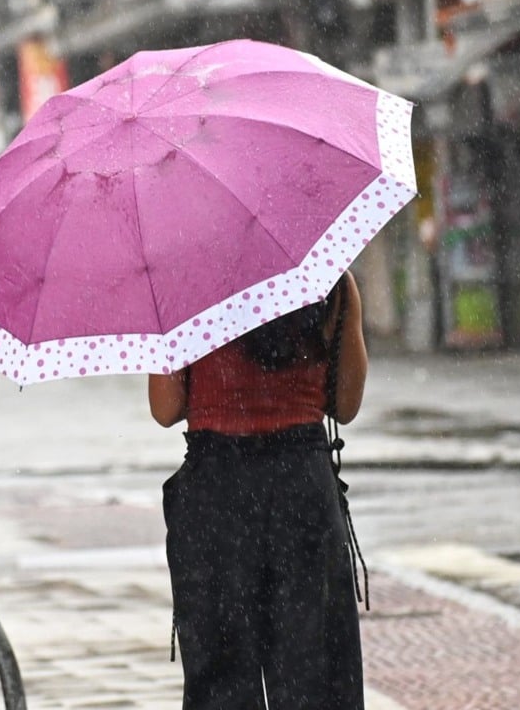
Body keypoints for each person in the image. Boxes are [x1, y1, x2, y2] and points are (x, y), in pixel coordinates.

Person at [148, 270, 368, 710]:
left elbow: (166, 408)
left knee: (222, 685)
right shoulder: (330, 283)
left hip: (217, 498)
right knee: (316, 677)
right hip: (302, 493)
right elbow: (345, 405)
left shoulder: (188, 288)